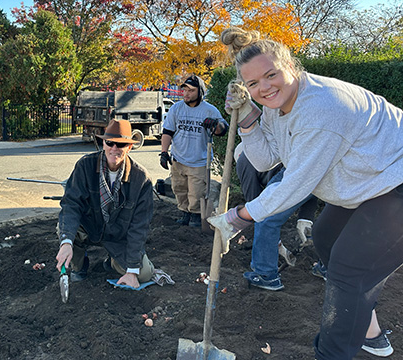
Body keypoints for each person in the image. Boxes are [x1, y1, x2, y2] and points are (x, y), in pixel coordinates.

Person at [208, 27, 402, 359]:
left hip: (395, 183)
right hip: (368, 185)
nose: (264, 87)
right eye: (253, 84)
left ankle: (332, 353)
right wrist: (248, 119)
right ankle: (370, 333)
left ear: (291, 66)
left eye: (271, 75)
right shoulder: (275, 103)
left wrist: (238, 216)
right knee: (326, 240)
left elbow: (294, 184)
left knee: (349, 269)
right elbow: (266, 158)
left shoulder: (321, 108)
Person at [56, 119, 156, 289]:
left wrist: (132, 271)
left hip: (118, 236)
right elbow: (71, 205)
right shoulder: (84, 166)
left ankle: (112, 262)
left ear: (130, 147)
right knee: (63, 229)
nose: (114, 148)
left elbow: (139, 226)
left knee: (144, 274)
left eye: (121, 144)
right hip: (90, 227)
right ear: (103, 143)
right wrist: (66, 242)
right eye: (110, 142)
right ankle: (79, 265)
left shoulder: (141, 180)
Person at [235, 143, 318, 290]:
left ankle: (265, 274)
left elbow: (255, 204)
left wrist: (273, 241)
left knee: (264, 216)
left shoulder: (244, 161)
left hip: (295, 173)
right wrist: (306, 218)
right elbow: (312, 183)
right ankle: (326, 268)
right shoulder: (275, 153)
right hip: (310, 170)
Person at [159, 74, 229, 227]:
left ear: (200, 92)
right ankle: (185, 214)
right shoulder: (176, 108)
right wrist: (164, 152)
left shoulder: (209, 111)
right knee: (179, 189)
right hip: (178, 159)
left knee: (197, 193)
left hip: (199, 161)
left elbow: (223, 130)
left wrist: (217, 126)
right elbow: (167, 131)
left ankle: (197, 217)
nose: (186, 93)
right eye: (184, 90)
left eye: (191, 90)